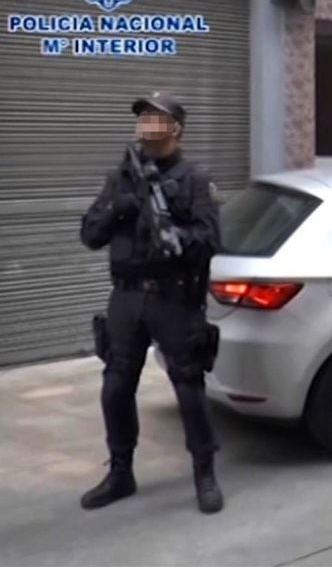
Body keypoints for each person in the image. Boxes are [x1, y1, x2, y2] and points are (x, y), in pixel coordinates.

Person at [79, 93, 224, 513]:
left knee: (188, 386)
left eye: (156, 118)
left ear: (176, 129)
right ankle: (120, 472)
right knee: (115, 386)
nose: (147, 125)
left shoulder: (194, 178)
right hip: (126, 297)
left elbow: (210, 239)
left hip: (173, 297)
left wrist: (179, 237)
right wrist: (118, 208)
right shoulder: (120, 178)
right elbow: (90, 235)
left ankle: (205, 472)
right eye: (143, 118)